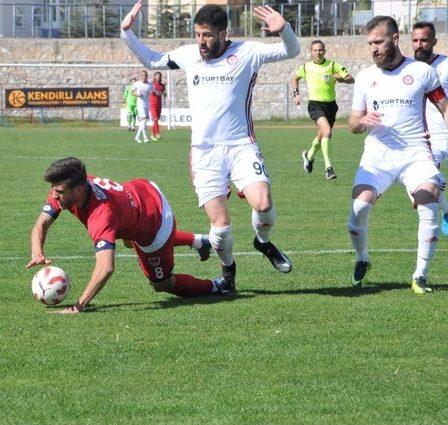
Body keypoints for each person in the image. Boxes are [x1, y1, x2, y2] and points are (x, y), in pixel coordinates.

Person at [121, 1, 299, 293]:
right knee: (221, 227)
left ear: (223, 32)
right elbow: (152, 60)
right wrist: (127, 34)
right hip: (204, 152)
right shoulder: (189, 55)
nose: (201, 41)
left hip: (242, 145)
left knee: (264, 204)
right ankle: (228, 272)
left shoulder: (246, 52)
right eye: (198, 34)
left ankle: (263, 242)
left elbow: (290, 51)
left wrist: (285, 31)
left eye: (207, 35)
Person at [25, 157, 224, 314]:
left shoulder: (101, 215)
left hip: (155, 218)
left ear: (78, 190)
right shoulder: (71, 190)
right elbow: (41, 222)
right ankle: (197, 240)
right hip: (140, 192)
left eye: (59, 191)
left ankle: (217, 286)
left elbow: (106, 267)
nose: (54, 195)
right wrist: (37, 252)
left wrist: (78, 305)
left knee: (161, 284)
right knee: (129, 241)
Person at [347, 16, 447, 294]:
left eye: (378, 42)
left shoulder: (422, 72)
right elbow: (353, 124)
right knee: (359, 210)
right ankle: (362, 259)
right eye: (370, 43)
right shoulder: (366, 77)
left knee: (428, 204)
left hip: (416, 153)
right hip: (377, 157)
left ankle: (420, 275)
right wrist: (362, 121)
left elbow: (444, 107)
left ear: (394, 39)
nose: (374, 48)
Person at [292, 40, 354, 180]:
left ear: (324, 51)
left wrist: (340, 78)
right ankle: (328, 168)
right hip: (315, 105)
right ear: (311, 52)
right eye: (315, 50)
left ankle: (308, 155)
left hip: (331, 106)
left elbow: (351, 78)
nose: (318, 53)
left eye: (320, 50)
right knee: (327, 131)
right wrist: (296, 93)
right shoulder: (306, 67)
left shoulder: (332, 65)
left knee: (322, 135)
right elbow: (294, 78)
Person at [411, 21, 448, 236]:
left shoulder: (445, 65)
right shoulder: (408, 68)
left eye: (424, 40)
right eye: (415, 40)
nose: (419, 44)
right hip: (428, 141)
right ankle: (446, 211)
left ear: (434, 41)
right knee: (422, 194)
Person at [132, 70, 152, 143]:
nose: (144, 77)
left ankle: (137, 137)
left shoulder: (149, 84)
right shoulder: (137, 84)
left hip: (147, 104)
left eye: (145, 75)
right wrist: (137, 95)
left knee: (144, 122)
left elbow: (152, 92)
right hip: (140, 104)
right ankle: (145, 138)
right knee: (143, 120)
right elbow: (132, 92)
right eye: (142, 75)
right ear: (140, 76)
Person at [150, 71, 166, 141]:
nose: (158, 77)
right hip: (152, 104)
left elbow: (164, 93)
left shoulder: (162, 85)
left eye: (159, 76)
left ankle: (152, 135)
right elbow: (151, 92)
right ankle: (157, 133)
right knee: (155, 119)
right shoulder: (152, 84)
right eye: (157, 76)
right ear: (154, 77)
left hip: (159, 104)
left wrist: (166, 98)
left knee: (156, 120)